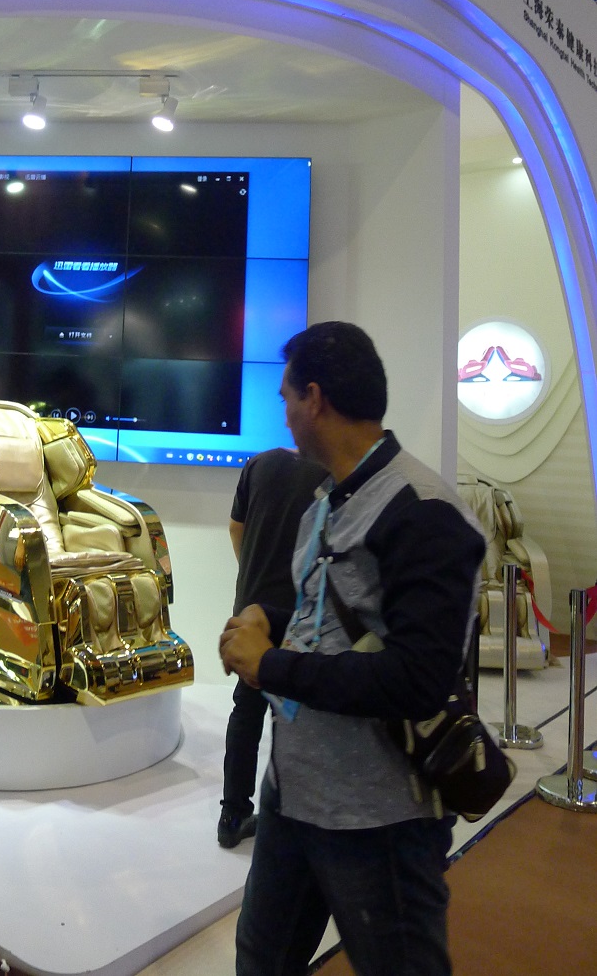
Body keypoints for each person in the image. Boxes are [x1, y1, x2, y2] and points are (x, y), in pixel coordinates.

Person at [219, 322, 486, 976]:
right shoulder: (324, 502)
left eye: (286, 398)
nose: (283, 414)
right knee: (260, 962)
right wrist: (269, 618)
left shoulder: (424, 511)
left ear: (314, 398)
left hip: (380, 820)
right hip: (293, 797)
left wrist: (270, 664)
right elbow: (333, 626)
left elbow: (418, 678)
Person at [219, 447, 326, 849]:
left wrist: (252, 577)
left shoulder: (258, 464)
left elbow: (236, 529)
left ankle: (232, 814)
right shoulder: (330, 475)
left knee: (246, 711)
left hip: (253, 607)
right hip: (302, 615)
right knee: (301, 714)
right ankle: (297, 818)